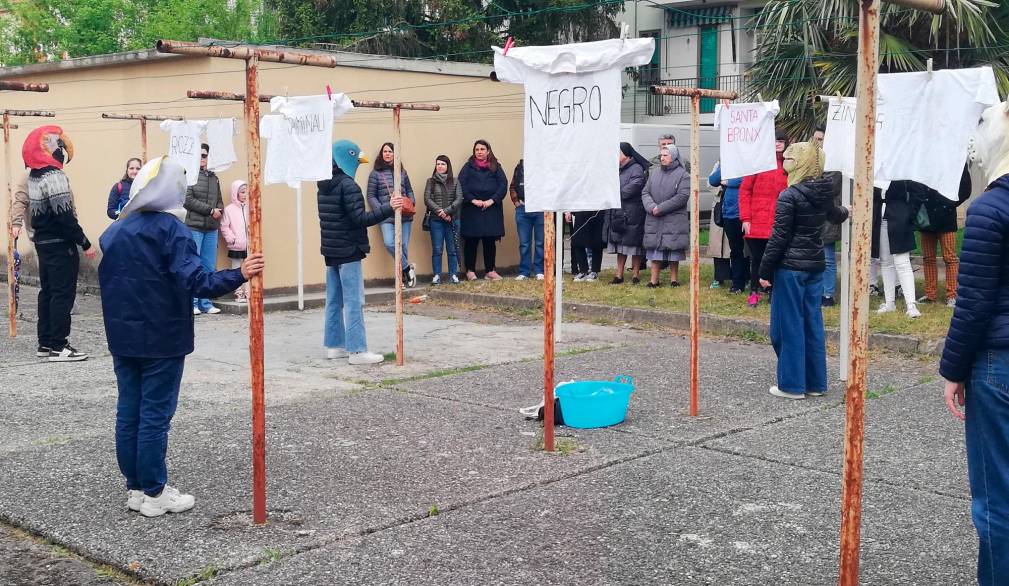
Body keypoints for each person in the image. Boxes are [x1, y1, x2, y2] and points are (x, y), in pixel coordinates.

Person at [98, 156, 262, 517]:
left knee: (129, 411)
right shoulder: (172, 231)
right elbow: (198, 281)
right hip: (162, 337)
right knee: (155, 414)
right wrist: (240, 274)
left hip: (123, 336)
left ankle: (137, 489)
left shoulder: (115, 232)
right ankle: (155, 492)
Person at [941, 101, 1009, 585]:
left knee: (997, 495)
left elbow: (974, 302)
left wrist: (952, 370)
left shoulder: (990, 209)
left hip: (998, 365)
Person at [757, 143, 847, 400]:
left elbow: (779, 237)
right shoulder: (823, 192)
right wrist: (847, 211)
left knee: (788, 326)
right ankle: (815, 383)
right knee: (812, 324)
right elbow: (835, 214)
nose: (785, 162)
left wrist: (764, 270)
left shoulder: (790, 195)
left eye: (789, 159)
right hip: (815, 265)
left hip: (790, 268)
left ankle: (791, 384)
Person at [319, 140, 402, 365]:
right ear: (347, 157)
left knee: (334, 300)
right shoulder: (349, 186)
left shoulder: (323, 185)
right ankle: (357, 351)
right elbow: (360, 219)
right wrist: (388, 207)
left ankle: (334, 346)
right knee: (354, 300)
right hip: (349, 251)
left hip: (331, 252)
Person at [20, 125, 96, 362]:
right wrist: (84, 243)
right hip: (60, 243)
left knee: (49, 292)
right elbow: (65, 216)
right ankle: (59, 346)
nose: (62, 148)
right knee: (63, 294)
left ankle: (45, 343)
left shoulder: (34, 175)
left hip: (43, 243)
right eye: (56, 144)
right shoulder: (54, 176)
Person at [740, 130, 789, 306]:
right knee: (757, 259)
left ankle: (773, 292)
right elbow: (745, 191)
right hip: (757, 221)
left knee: (777, 259)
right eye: (775, 140)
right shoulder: (758, 162)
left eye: (781, 141)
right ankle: (754, 291)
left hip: (778, 221)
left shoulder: (789, 166)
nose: (778, 144)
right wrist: (746, 218)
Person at [917, 168, 971, 307]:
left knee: (950, 258)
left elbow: (965, 188)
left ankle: (952, 295)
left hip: (946, 218)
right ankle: (930, 294)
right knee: (928, 258)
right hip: (926, 217)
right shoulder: (925, 157)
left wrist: (951, 204)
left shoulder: (954, 157)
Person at [872, 181, 925, 318]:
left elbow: (919, 191)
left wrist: (909, 213)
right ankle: (890, 303)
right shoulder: (876, 167)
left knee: (902, 260)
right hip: (880, 216)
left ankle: (911, 305)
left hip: (899, 216)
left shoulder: (902, 166)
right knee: (885, 261)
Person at [368, 142, 417, 288]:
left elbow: (410, 191)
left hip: (405, 215)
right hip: (386, 217)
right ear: (381, 154)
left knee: (403, 246)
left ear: (395, 154)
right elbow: (371, 196)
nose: (387, 154)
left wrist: (411, 202)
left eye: (390, 151)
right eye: (385, 151)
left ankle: (401, 279)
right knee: (390, 243)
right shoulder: (375, 174)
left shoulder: (402, 172)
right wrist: (384, 208)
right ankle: (408, 269)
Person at [458, 139, 507, 281]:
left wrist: (491, 200)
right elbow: (461, 185)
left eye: (482, 149)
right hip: (472, 209)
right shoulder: (468, 167)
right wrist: (473, 200)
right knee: (471, 242)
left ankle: (490, 271)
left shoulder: (496, 166)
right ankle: (470, 271)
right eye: (477, 150)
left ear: (488, 151)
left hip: (491, 209)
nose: (479, 152)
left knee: (489, 241)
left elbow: (503, 185)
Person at [184, 143, 224, 315]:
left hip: (211, 228)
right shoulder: (189, 176)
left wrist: (219, 210)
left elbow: (220, 199)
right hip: (194, 226)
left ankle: (206, 303)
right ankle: (192, 303)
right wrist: (210, 211)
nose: (202, 158)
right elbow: (187, 199)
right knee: (194, 264)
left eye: (205, 155)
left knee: (208, 265)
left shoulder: (214, 178)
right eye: (199, 155)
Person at [641, 146, 689, 288]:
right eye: (661, 155)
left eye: (666, 155)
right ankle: (653, 280)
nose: (662, 158)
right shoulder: (654, 173)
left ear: (673, 157)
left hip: (673, 218)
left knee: (673, 250)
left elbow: (682, 196)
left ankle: (674, 279)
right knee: (655, 250)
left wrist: (661, 208)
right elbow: (645, 192)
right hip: (654, 218)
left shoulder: (683, 175)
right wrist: (652, 207)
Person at [604, 143, 649, 285]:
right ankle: (619, 274)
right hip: (619, 212)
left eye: (619, 152)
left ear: (627, 155)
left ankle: (636, 274)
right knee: (620, 245)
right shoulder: (618, 169)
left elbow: (632, 188)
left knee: (634, 245)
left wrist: (614, 193)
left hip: (633, 213)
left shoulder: (636, 169)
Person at [708, 161, 748, 292]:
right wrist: (724, 164)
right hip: (730, 213)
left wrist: (728, 182)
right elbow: (713, 180)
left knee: (749, 250)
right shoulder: (727, 160)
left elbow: (747, 180)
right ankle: (737, 284)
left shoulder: (747, 159)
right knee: (735, 250)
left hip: (747, 212)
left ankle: (750, 280)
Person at [423, 155, 463, 285]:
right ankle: (437, 275)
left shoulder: (455, 181)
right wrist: (440, 212)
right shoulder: (431, 181)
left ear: (448, 166)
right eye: (438, 164)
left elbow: (459, 199)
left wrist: (447, 211)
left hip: (452, 220)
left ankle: (453, 275)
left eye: (443, 164)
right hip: (436, 220)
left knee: (452, 249)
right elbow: (427, 199)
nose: (440, 166)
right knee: (437, 249)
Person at [510, 159, 544, 281]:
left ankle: (539, 270)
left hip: (540, 209)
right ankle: (524, 271)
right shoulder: (519, 167)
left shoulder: (543, 165)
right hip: (523, 208)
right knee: (524, 243)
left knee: (540, 242)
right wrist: (516, 202)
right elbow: (513, 186)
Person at [220, 179, 250, 303]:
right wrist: (231, 239)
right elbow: (224, 226)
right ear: (235, 193)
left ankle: (249, 293)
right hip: (236, 245)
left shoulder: (249, 207)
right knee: (236, 270)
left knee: (249, 268)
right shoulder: (229, 209)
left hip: (248, 246)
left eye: (245, 192)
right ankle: (238, 293)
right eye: (242, 192)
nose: (244, 195)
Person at [568, 210, 605, 282]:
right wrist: (568, 211)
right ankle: (583, 270)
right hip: (581, 209)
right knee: (577, 241)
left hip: (597, 210)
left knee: (596, 241)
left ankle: (594, 271)